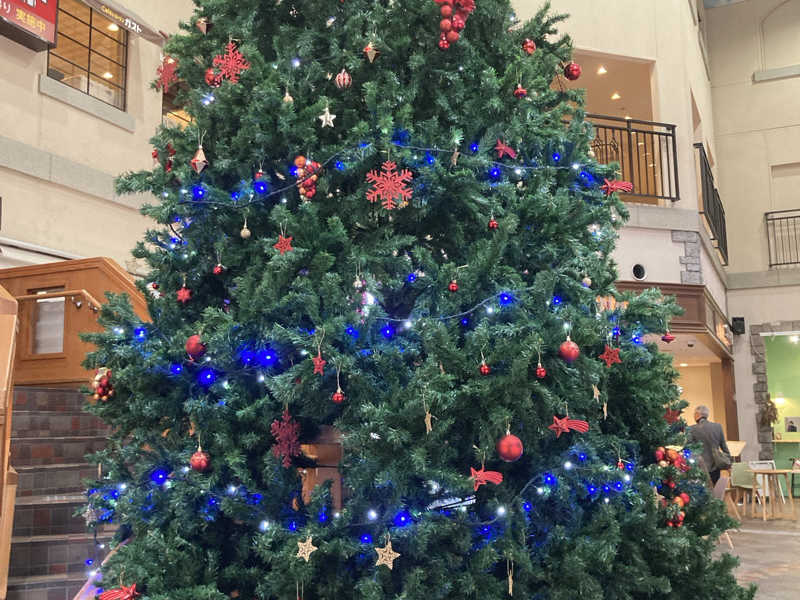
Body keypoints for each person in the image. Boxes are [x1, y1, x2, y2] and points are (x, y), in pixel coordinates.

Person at [687, 405, 730, 485]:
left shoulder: (691, 429)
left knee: (703, 491)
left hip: (699, 467)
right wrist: (728, 463)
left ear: (697, 414)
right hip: (715, 466)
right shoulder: (718, 427)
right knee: (715, 490)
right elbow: (725, 448)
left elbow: (689, 449)